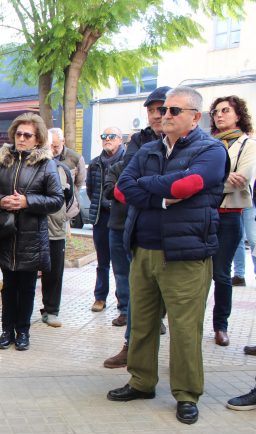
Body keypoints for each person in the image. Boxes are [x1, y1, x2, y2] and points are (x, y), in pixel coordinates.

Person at [108, 86, 227, 425]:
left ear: (194, 117)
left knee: (185, 328)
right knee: (142, 323)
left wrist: (150, 186)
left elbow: (187, 186)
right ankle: (142, 381)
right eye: (162, 110)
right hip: (143, 249)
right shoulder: (147, 149)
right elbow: (122, 189)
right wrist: (160, 196)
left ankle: (187, 394)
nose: (165, 115)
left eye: (174, 111)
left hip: (185, 254)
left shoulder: (212, 151)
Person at [0, 113, 64, 350]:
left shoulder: (46, 164)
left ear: (37, 139)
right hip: (6, 235)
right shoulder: (1, 161)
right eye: (18, 134)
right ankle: (6, 331)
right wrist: (1, 201)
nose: (21, 138)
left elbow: (57, 200)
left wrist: (28, 202)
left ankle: (23, 332)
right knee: (8, 287)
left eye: (27, 135)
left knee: (26, 287)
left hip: (31, 236)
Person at [102, 86, 170, 368]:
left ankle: (177, 358)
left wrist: (150, 187)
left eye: (163, 109)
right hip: (132, 225)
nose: (156, 115)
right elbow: (127, 181)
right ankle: (132, 347)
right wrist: (161, 190)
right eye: (152, 110)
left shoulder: (192, 143)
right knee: (134, 290)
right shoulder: (139, 141)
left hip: (174, 232)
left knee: (171, 298)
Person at [209, 95, 255, 347]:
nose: (219, 115)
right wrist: (222, 179)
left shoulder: (248, 143)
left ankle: (220, 326)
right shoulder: (205, 142)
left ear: (238, 114)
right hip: (203, 215)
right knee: (195, 273)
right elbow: (197, 176)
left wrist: (208, 182)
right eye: (216, 111)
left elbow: (244, 178)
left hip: (229, 218)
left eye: (225, 110)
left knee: (221, 273)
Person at [40, 129, 77, 328]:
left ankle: (51, 310)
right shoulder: (29, 167)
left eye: (53, 145)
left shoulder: (61, 169)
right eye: (48, 145)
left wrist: (62, 219)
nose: (51, 148)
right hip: (32, 229)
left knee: (54, 272)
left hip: (55, 229)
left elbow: (70, 197)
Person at [87, 126, 125, 314]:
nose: (107, 139)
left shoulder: (128, 161)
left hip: (120, 216)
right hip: (101, 217)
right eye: (104, 136)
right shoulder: (95, 163)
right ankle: (100, 297)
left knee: (121, 263)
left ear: (120, 139)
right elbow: (90, 189)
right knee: (102, 261)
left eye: (111, 136)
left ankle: (123, 302)